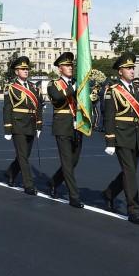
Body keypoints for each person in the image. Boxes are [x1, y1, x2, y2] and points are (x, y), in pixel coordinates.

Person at [99, 52, 139, 224]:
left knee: (130, 172)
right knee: (129, 172)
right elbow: (109, 116)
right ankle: (133, 209)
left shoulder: (136, 89)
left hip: (135, 135)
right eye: (128, 68)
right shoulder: (112, 90)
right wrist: (110, 140)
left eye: (133, 67)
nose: (132, 70)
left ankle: (109, 193)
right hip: (121, 135)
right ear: (120, 71)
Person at [46, 52, 85, 208]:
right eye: (67, 65)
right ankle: (74, 196)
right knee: (67, 162)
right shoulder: (53, 84)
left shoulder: (77, 82)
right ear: (60, 68)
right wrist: (73, 87)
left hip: (77, 125)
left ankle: (54, 182)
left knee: (74, 161)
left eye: (71, 65)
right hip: (62, 125)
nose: (70, 68)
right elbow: (58, 98)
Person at [3, 56, 42, 194]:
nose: (26, 71)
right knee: (23, 156)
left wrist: (39, 125)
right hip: (18, 124)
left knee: (24, 154)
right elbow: (7, 108)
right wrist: (7, 128)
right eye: (23, 69)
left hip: (31, 124)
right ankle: (28, 185)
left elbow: (39, 108)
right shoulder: (11, 88)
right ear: (16, 71)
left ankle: (11, 173)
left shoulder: (34, 87)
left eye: (27, 69)